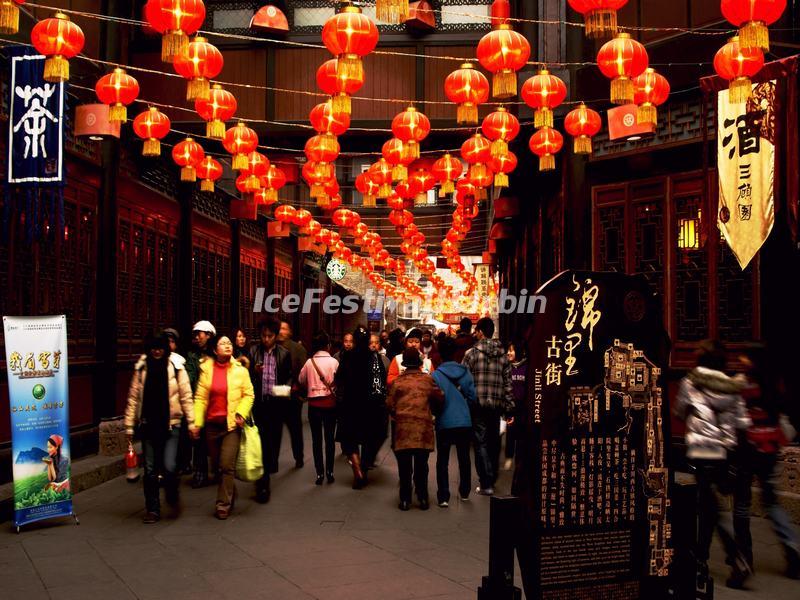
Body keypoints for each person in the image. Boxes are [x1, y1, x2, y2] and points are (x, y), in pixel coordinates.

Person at [674, 339, 752, 588]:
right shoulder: (732, 387)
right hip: (725, 452)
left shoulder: (690, 382)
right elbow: (742, 423)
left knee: (710, 508)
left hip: (702, 448)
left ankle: (734, 558)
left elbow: (678, 411)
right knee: (709, 507)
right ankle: (702, 559)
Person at [732, 345, 800, 579]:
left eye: (745, 357)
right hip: (770, 448)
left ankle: (743, 557)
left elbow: (737, 418)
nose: (741, 360)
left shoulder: (744, 385)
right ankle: (792, 548)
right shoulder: (775, 383)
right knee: (771, 503)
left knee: (741, 504)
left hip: (748, 448)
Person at [125, 334, 194, 523]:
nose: (157, 351)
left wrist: (193, 421)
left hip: (171, 425)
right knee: (149, 470)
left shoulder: (176, 367)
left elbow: (186, 395)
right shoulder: (141, 368)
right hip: (148, 424)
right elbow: (133, 398)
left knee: (170, 466)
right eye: (153, 348)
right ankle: (153, 509)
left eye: (160, 348)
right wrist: (129, 425)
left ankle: (172, 496)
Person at [191, 334, 254, 519]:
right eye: (222, 343)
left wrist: (241, 413)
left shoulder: (240, 370)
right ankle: (230, 492)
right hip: (212, 425)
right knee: (218, 466)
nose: (227, 346)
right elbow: (201, 398)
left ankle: (222, 504)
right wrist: (197, 423)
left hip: (231, 425)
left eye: (229, 343)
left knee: (227, 465)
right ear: (214, 349)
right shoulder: (206, 370)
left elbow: (249, 395)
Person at [387, 349, 444, 511]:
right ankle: (423, 498)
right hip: (423, 429)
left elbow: (389, 404)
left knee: (405, 467)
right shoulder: (427, 380)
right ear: (420, 364)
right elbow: (440, 397)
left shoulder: (398, 382)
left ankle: (405, 500)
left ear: (404, 365)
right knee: (421, 465)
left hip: (403, 430)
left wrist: (397, 414)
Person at [462, 317, 514, 496]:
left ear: (481, 332)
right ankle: (492, 477)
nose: (475, 334)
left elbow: (464, 381)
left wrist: (467, 399)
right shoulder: (503, 355)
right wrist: (509, 406)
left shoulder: (471, 354)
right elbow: (508, 383)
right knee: (494, 440)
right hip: (497, 405)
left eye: (477, 331)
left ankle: (486, 482)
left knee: (480, 442)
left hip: (477, 404)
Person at [246, 318, 293, 503]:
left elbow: (289, 376)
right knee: (261, 444)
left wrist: (285, 390)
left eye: (270, 336)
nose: (266, 339)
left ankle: (267, 469)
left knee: (272, 441)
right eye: (263, 336)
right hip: (258, 405)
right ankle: (263, 484)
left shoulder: (283, 353)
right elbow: (246, 378)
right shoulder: (253, 352)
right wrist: (254, 374)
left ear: (275, 336)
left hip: (276, 404)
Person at [335, 326, 386, 489]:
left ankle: (357, 470)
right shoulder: (374, 357)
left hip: (350, 405)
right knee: (371, 438)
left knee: (350, 440)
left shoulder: (347, 356)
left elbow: (339, 379)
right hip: (370, 406)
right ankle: (364, 467)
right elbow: (379, 382)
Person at [431, 336, 476, 507]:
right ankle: (464, 491)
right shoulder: (465, 372)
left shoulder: (436, 375)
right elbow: (473, 396)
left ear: (440, 355)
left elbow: (434, 400)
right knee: (464, 457)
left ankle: (443, 496)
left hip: (444, 421)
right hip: (464, 420)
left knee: (442, 459)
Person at [298, 331, 339, 485]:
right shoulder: (334, 362)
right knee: (329, 439)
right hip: (330, 405)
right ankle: (330, 471)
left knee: (316, 440)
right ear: (328, 345)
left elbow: (301, 380)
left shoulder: (309, 363)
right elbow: (339, 381)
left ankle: (319, 473)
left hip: (314, 406)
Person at [186, 320, 215, 488]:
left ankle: (218, 467)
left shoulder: (216, 353)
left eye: (200, 334)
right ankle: (200, 472)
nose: (197, 337)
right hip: (199, 402)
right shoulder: (192, 356)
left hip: (216, 402)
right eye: (195, 334)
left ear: (209, 335)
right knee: (199, 440)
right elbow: (190, 377)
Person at [278, 320, 308, 468]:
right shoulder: (271, 347)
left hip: (292, 396)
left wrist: (301, 393)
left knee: (295, 429)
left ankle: (299, 457)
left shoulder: (298, 349)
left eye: (284, 328)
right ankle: (271, 459)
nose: (281, 331)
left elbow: (303, 373)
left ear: (289, 331)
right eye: (279, 328)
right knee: (274, 431)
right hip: (274, 396)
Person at [162, 327, 191, 475]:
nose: (168, 345)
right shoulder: (153, 361)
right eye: (166, 341)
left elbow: (185, 391)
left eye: (172, 342)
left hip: (176, 412)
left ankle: (181, 465)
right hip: (159, 413)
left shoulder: (179, 362)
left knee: (179, 441)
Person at [505, 342, 526, 471]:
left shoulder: (526, 367)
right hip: (510, 405)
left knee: (521, 434)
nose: (508, 352)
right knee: (510, 432)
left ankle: (519, 460)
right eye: (508, 350)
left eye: (511, 350)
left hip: (523, 406)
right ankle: (508, 457)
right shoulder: (506, 367)